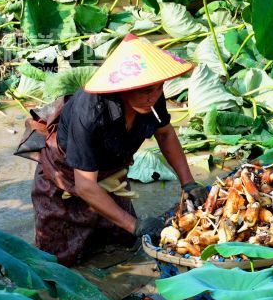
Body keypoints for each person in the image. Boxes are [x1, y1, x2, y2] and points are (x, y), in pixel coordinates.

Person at [29, 34, 209, 265]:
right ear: (123, 87)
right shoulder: (91, 112)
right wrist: (134, 224)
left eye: (157, 89)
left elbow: (165, 133)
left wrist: (188, 183)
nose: (152, 97)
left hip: (111, 169)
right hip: (66, 173)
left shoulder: (153, 96)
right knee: (58, 259)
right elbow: (85, 185)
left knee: (123, 242)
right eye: (145, 91)